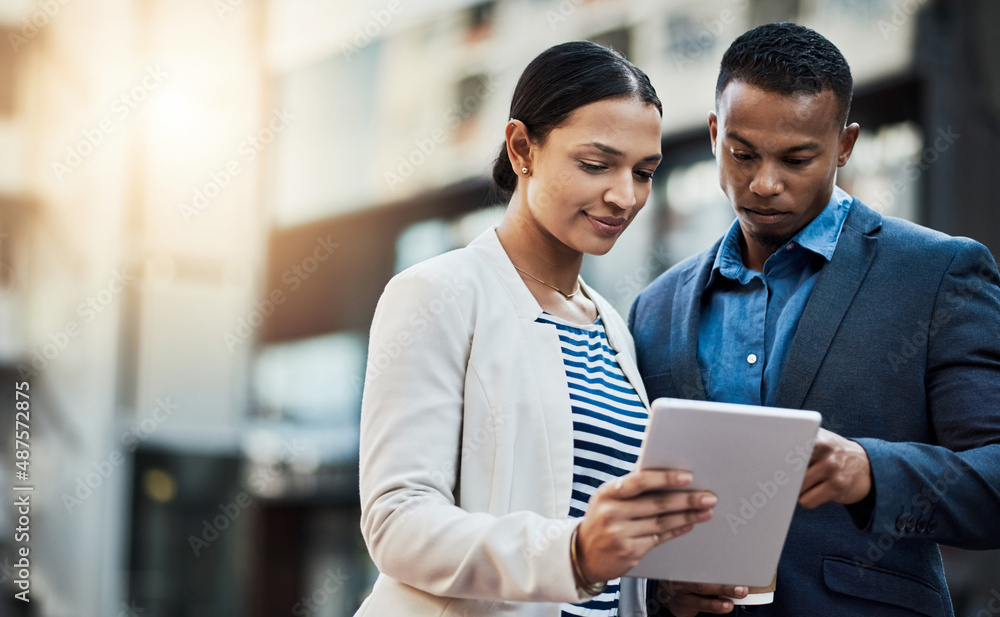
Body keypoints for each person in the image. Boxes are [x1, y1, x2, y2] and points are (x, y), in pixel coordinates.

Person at [355, 41, 740, 617]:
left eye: (644, 172)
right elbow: (398, 520)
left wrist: (661, 592)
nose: (624, 195)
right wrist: (574, 555)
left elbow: (591, 529)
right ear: (521, 148)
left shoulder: (613, 328)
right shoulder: (440, 294)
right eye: (595, 164)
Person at [630, 22, 1000, 617]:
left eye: (797, 158)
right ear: (713, 131)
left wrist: (871, 471)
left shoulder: (939, 273)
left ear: (846, 146)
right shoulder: (655, 307)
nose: (764, 183)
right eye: (741, 154)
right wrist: (662, 589)